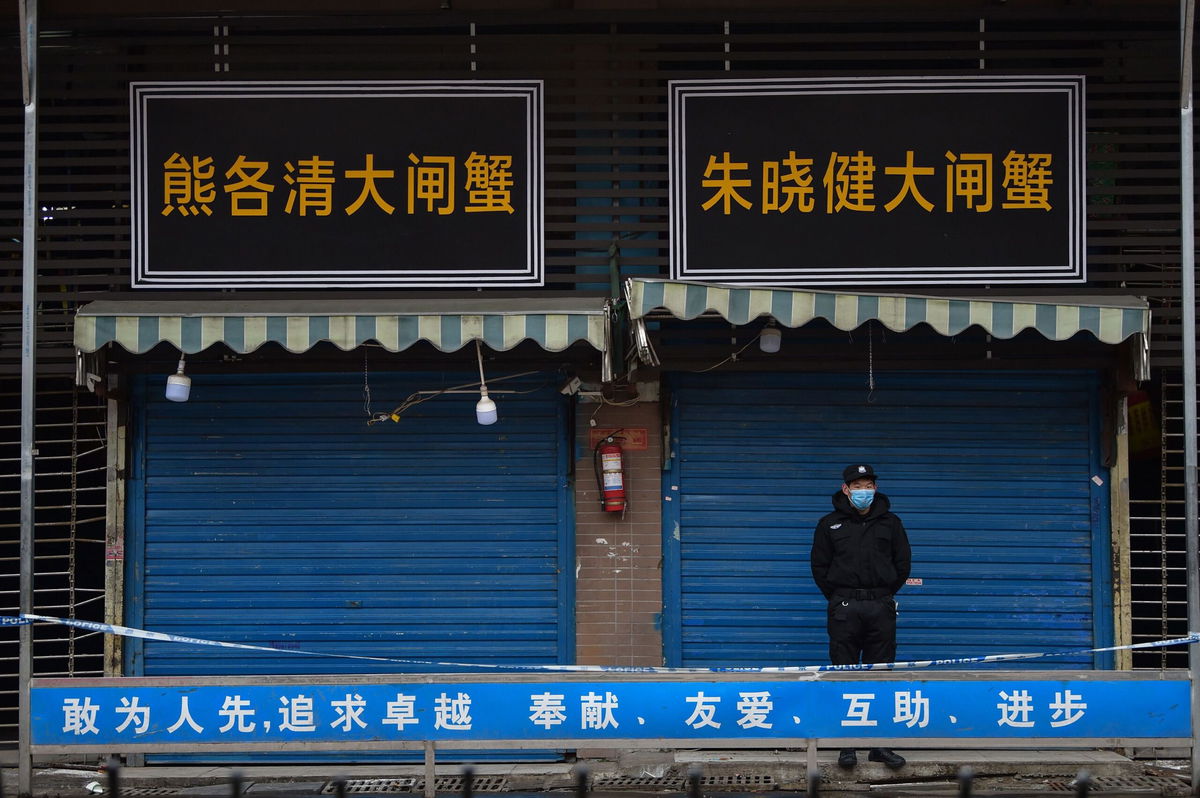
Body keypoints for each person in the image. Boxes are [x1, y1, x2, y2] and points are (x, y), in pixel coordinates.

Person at [810, 463, 911, 771]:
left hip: (880, 605)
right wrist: (841, 598)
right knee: (844, 673)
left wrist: (882, 595)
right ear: (846, 489)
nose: (863, 491)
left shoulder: (891, 523)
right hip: (844, 607)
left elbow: (902, 564)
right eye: (857, 486)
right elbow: (819, 567)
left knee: (880, 676)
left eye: (868, 485)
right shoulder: (829, 524)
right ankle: (847, 745)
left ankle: (879, 745)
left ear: (875, 489)